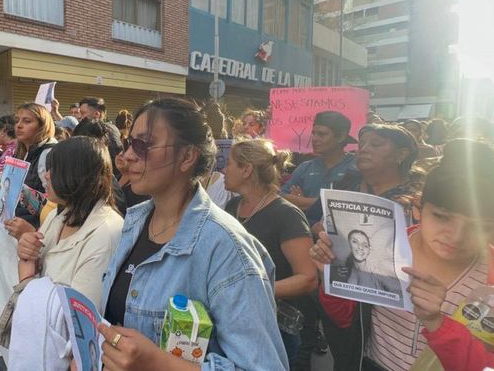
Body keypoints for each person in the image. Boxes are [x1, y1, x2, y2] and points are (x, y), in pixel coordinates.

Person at [99, 98, 288, 370]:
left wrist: (157, 363)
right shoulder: (134, 222)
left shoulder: (227, 249)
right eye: (130, 143)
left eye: (144, 144)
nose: (128, 156)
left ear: (187, 157)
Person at [310, 139, 494, 371]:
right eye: (442, 217)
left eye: (480, 226)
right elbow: (345, 319)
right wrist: (331, 276)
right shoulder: (381, 245)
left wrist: (437, 324)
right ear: (418, 208)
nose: (456, 236)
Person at [223, 139, 317, 363]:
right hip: (235, 321)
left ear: (246, 170)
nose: (223, 170)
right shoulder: (231, 207)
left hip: (274, 329)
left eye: (228, 164)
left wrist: (256, 289)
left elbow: (308, 278)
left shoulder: (286, 215)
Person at [16, 136, 123, 308]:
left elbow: (77, 320)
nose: (46, 175)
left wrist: (27, 280)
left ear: (77, 175)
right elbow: (37, 262)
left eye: (55, 169)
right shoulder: (58, 215)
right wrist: (27, 250)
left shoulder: (106, 234)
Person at [305, 124, 422, 228]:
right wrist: (317, 229)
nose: (364, 149)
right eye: (361, 145)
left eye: (376, 144)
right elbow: (307, 220)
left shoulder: (416, 200)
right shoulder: (345, 185)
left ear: (401, 154)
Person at [282, 111, 357, 210]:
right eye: (313, 133)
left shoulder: (356, 166)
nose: (314, 139)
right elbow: (283, 197)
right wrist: (327, 203)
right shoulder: (305, 167)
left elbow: (349, 205)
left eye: (322, 134)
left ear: (341, 137)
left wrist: (302, 201)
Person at [330, 229, 402, 295]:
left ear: (369, 250)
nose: (360, 247)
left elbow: (398, 291)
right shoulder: (342, 268)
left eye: (365, 245)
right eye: (355, 242)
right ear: (349, 245)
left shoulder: (377, 270)